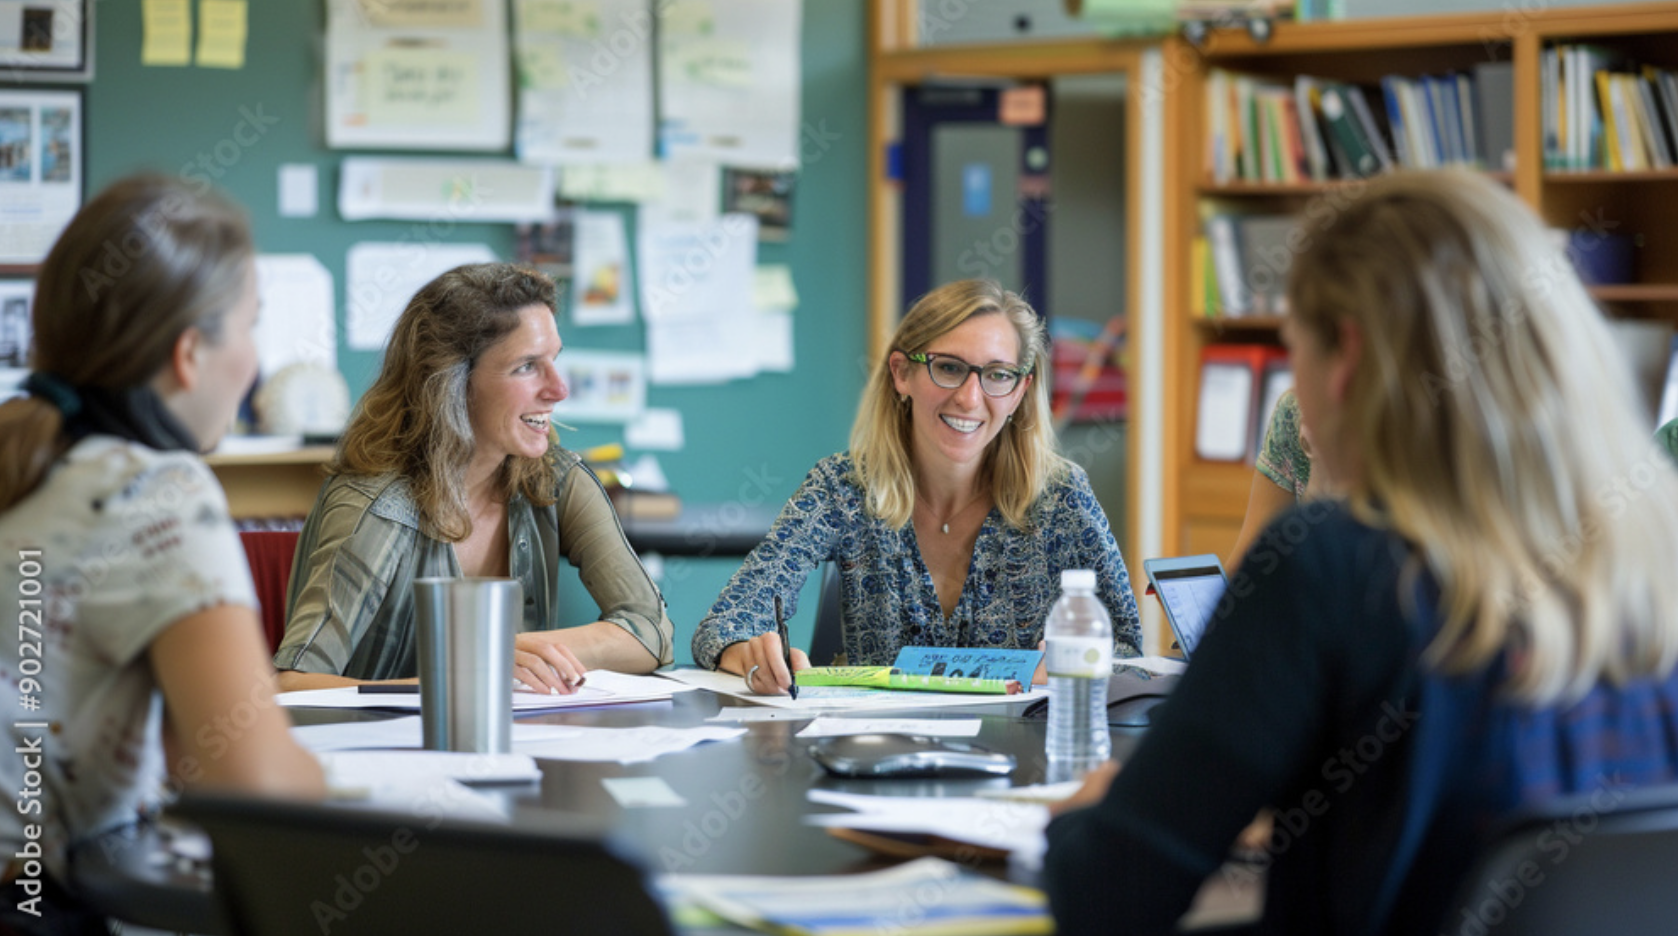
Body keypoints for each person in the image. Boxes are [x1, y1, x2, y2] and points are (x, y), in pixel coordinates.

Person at [1042, 170, 1678, 936]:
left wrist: (1083, 821)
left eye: (1293, 351)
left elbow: (1109, 896)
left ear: (1345, 355)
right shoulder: (1652, 557)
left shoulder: (1333, 566)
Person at [0, 174, 325, 930]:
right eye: (251, 324)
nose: (255, 357)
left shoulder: (28, 464)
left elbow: (181, 749)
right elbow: (257, 788)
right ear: (189, 354)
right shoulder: (159, 493)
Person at [692, 279, 1141, 695]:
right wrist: (749, 656)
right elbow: (726, 623)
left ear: (1021, 389)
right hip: (878, 759)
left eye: (998, 375)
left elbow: (1131, 656)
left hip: (1023, 761)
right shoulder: (843, 488)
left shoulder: (1061, 495)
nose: (969, 397)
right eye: (948, 367)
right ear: (901, 373)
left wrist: (1072, 665)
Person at [274, 263, 673, 693]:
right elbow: (292, 686)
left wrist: (514, 650)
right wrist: (475, 667)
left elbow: (652, 632)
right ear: (452, 382)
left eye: (554, 360)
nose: (559, 389)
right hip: (380, 752)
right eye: (526, 366)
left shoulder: (555, 478)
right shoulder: (378, 507)